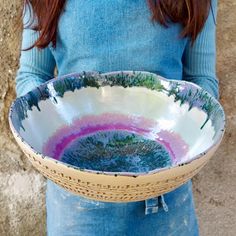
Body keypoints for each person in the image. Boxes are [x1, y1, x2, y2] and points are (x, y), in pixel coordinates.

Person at [15, 0, 219, 235]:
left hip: (165, 203)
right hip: (76, 206)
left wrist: (180, 123)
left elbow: (203, 82)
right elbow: (32, 75)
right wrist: (54, 115)